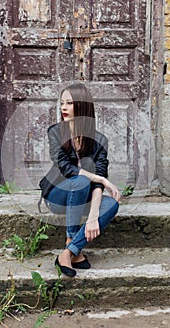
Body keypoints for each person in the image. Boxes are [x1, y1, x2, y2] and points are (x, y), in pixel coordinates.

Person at [39, 83, 120, 277]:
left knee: (112, 204)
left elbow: (97, 183)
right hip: (57, 196)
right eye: (62, 103)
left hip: (82, 197)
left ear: (82, 106)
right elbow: (67, 169)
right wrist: (100, 178)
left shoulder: (99, 140)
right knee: (81, 181)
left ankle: (69, 252)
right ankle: (70, 240)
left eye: (69, 103)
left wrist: (93, 215)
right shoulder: (55, 132)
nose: (63, 108)